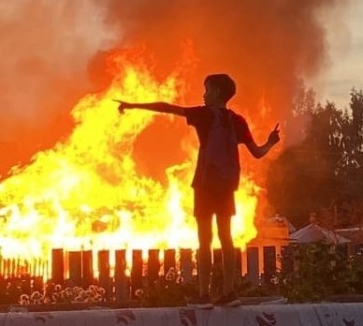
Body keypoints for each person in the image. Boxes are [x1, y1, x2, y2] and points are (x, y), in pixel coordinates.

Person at [117, 73, 280, 306]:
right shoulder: (238, 121)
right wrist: (271, 142)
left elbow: (167, 108)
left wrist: (133, 105)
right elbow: (257, 153)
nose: (203, 94)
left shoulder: (203, 115)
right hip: (227, 185)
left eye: (207, 89)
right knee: (226, 238)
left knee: (205, 240)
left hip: (205, 184)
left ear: (216, 93)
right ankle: (229, 293)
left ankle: (203, 294)